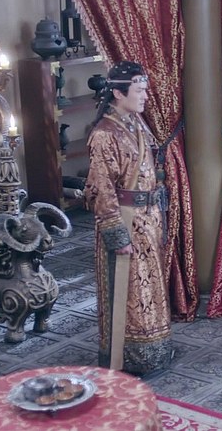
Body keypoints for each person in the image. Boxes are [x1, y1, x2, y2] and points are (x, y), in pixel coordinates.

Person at [84, 61, 172, 375]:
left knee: (150, 289)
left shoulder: (136, 123)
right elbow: (101, 186)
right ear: (119, 93)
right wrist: (117, 235)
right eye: (139, 90)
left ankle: (155, 352)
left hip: (147, 220)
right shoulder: (104, 134)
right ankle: (126, 359)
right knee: (129, 291)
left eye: (145, 89)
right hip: (125, 221)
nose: (146, 96)